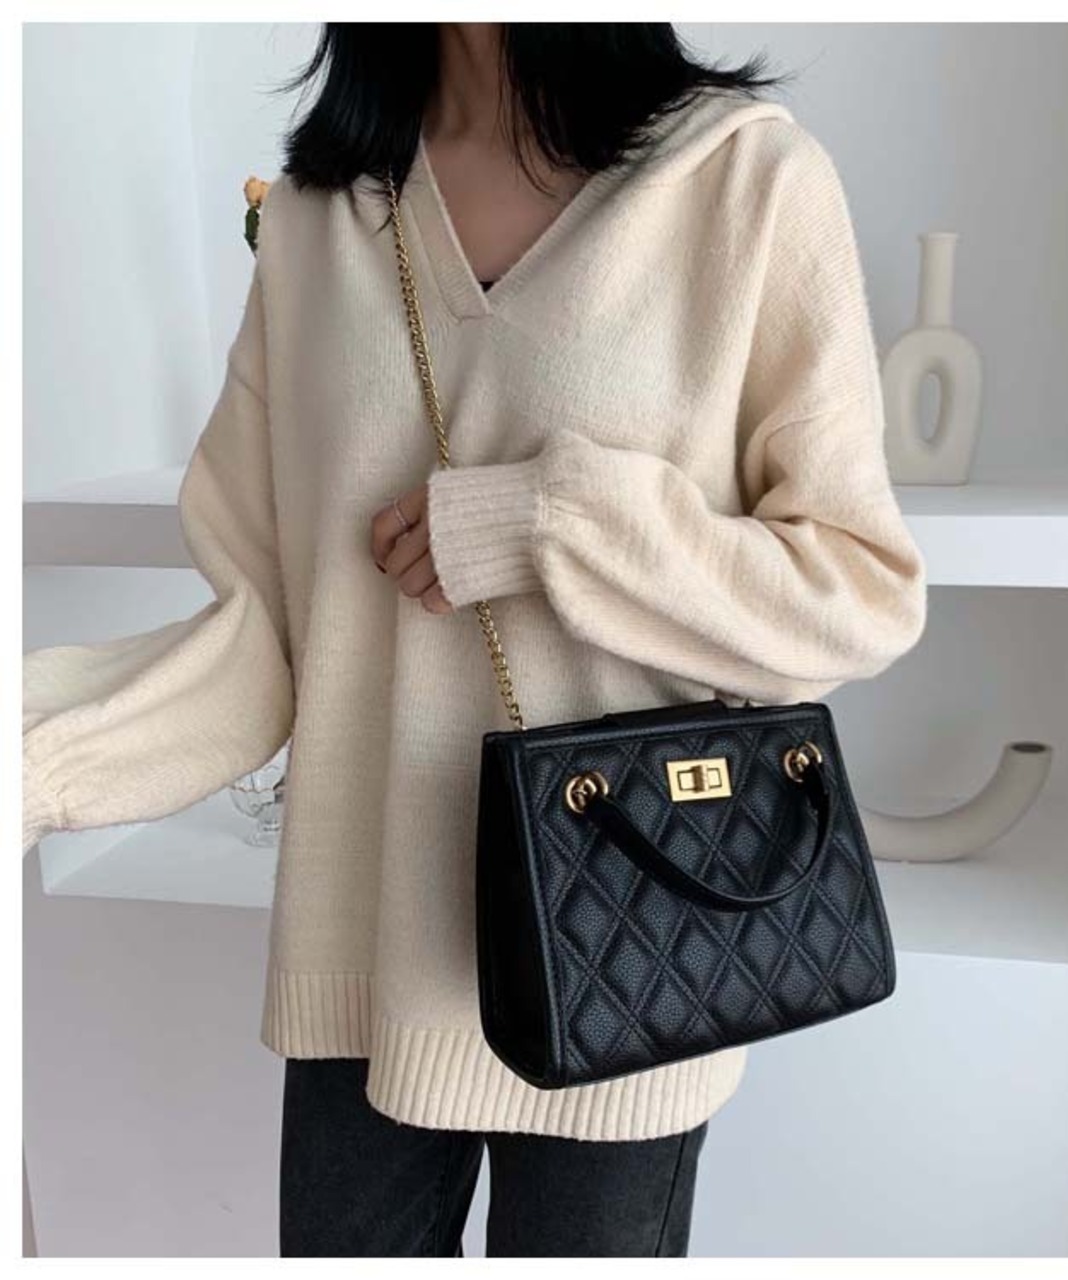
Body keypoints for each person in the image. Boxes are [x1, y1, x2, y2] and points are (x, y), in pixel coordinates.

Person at [22, 22, 928, 1257]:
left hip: (631, 961)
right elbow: (264, 638)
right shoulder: (315, 219)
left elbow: (855, 591)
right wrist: (35, 764)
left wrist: (553, 522)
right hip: (362, 976)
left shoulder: (743, 181)